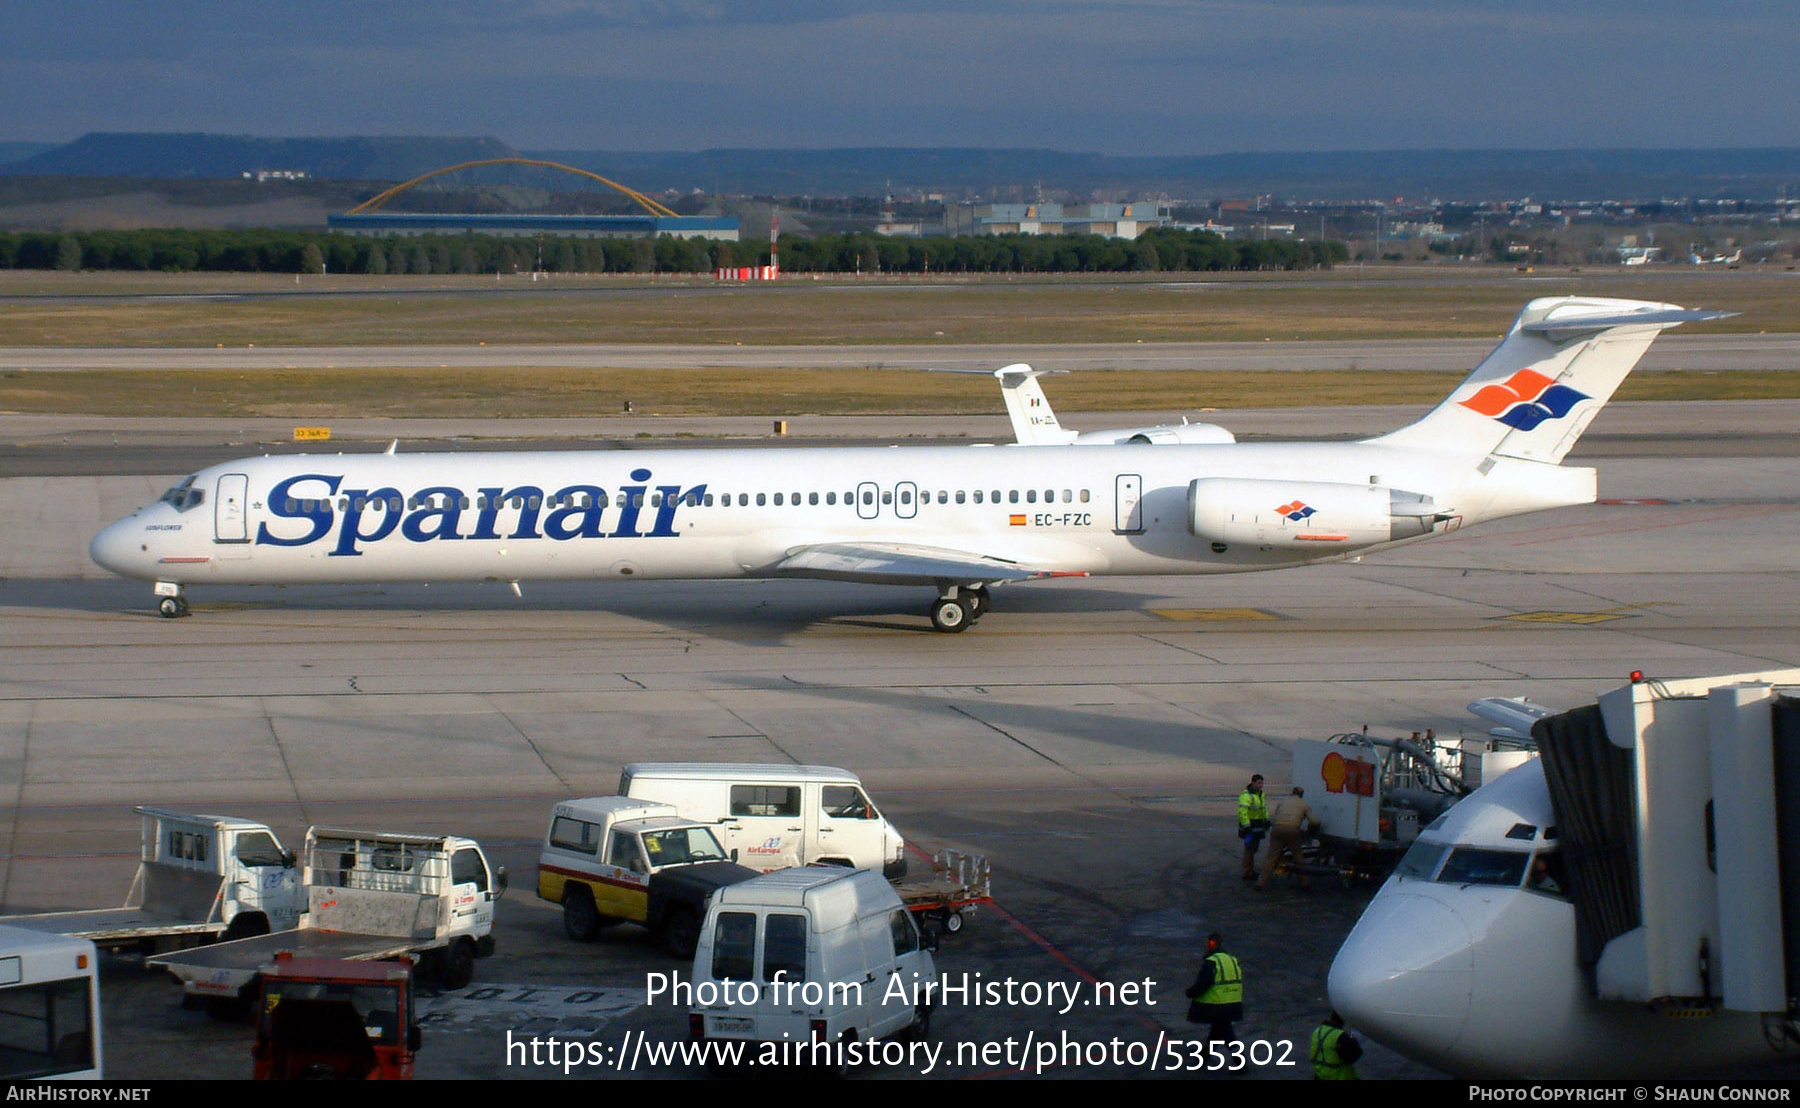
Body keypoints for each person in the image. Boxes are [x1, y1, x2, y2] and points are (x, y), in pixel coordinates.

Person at [1184, 932, 1244, 1046]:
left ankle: (1240, 1061)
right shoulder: (1232, 960)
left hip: (1217, 1004)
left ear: (1212, 944)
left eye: (1207, 943)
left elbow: (1202, 984)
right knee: (1217, 1030)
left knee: (1227, 1033)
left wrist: (1190, 992)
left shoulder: (1211, 962)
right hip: (1234, 1002)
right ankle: (1204, 1056)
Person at [1259, 786, 1319, 889]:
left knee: (1271, 856)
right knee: (1298, 856)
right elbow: (1315, 821)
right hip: (1292, 830)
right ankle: (1304, 882)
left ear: (1292, 792)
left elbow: (1276, 814)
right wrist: (1310, 828)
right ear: (1301, 795)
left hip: (1277, 829)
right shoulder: (1304, 804)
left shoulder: (1283, 801)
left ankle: (1261, 882)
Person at [1309, 1010, 1363, 1080]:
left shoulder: (1317, 1031)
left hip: (1320, 1075)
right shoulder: (1340, 1036)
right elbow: (1353, 1056)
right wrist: (1354, 1042)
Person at [1237, 774, 1269, 881]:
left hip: (1258, 825)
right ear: (1253, 782)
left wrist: (1266, 820)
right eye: (1259, 783)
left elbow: (1263, 809)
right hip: (1250, 827)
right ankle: (1247, 871)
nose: (1261, 785)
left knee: (1254, 848)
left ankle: (1249, 869)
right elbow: (1242, 812)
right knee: (1249, 849)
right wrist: (1246, 826)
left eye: (1262, 783)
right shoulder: (1246, 795)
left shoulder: (1261, 794)